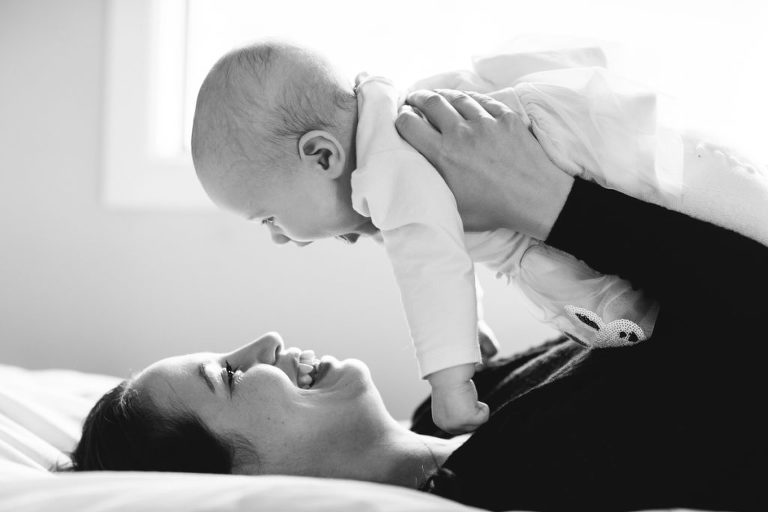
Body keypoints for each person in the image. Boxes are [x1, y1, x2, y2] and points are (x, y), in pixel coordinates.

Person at [73, 90, 767, 511]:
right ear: (239, 483)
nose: (266, 343)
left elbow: (653, 318)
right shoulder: (507, 475)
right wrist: (544, 202)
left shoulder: (456, 413)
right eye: (226, 377)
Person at [190, 39, 695, 434]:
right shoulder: (385, 154)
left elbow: (431, 266)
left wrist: (450, 380)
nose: (278, 238)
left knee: (628, 313)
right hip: (588, 200)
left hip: (593, 186)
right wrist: (468, 328)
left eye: (268, 218)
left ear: (322, 156)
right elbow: (443, 243)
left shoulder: (387, 168)